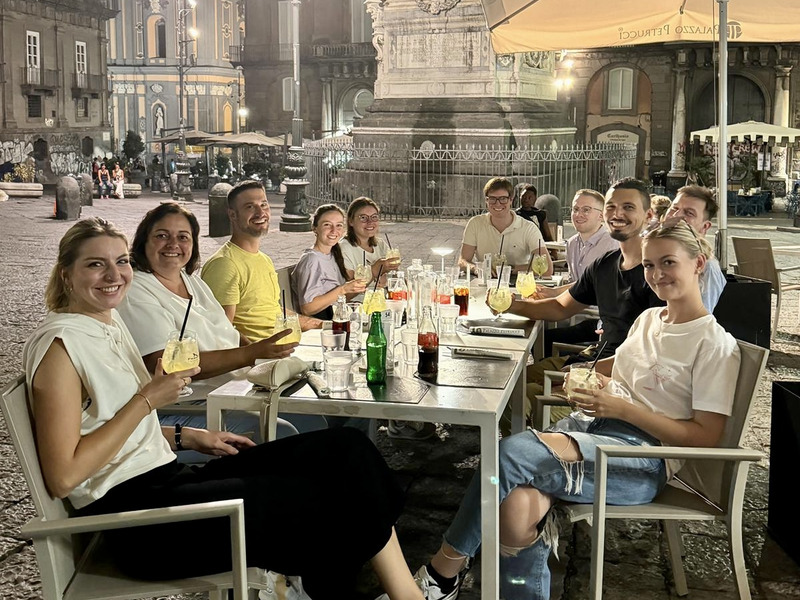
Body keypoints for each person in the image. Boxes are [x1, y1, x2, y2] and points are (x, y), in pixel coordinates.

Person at [23, 217, 425, 600]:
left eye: (122, 261)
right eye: (96, 264)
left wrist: (188, 435)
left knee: (345, 450)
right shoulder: (61, 347)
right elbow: (64, 476)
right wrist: (148, 399)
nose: (114, 275)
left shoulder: (105, 324)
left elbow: (103, 424)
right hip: (143, 524)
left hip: (169, 479)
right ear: (65, 274)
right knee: (321, 497)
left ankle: (393, 591)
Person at [409, 219, 740, 600]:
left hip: (641, 460)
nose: (656, 274)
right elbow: (623, 364)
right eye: (649, 265)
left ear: (698, 263)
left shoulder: (715, 345)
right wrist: (585, 373)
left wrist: (623, 409)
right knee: (515, 508)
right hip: (595, 431)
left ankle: (442, 573)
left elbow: (705, 437)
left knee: (510, 453)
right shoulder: (651, 318)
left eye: (668, 263)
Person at [117, 203, 323, 458]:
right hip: (186, 406)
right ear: (143, 242)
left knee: (314, 420)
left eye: (183, 237)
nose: (173, 244)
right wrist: (251, 354)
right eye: (161, 235)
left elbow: (230, 332)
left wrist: (262, 353)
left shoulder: (191, 281)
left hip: (233, 391)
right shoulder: (137, 290)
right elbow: (165, 364)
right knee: (284, 434)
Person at [496, 178, 664, 436]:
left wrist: (587, 371)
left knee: (514, 399)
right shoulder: (606, 264)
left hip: (621, 381)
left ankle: (534, 460)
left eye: (628, 207)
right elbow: (560, 308)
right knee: (508, 380)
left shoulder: (658, 274)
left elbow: (652, 355)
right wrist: (509, 304)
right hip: (592, 357)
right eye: (611, 207)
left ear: (648, 214)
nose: (617, 214)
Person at [201, 180, 321, 341]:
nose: (260, 213)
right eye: (250, 207)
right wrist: (261, 353)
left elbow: (271, 311)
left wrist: (320, 324)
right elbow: (222, 333)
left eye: (263, 205)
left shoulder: (264, 260)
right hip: (264, 359)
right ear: (232, 215)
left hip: (290, 345)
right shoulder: (224, 264)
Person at [532, 189, 620, 351]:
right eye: (575, 209)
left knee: (543, 338)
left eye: (586, 210)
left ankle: (545, 372)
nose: (578, 214)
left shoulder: (612, 245)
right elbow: (575, 283)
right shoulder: (572, 243)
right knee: (536, 331)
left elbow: (594, 289)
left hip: (598, 318)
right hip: (573, 312)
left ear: (601, 216)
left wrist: (554, 293)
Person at [460, 177, 552, 276]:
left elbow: (547, 269)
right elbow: (463, 261)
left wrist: (510, 269)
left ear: (511, 200)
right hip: (485, 281)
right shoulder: (475, 224)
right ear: (486, 201)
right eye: (492, 199)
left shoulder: (529, 228)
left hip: (519, 283)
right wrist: (476, 268)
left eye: (503, 199)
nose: (498, 204)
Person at [292, 204, 367, 320]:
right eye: (327, 225)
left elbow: (338, 297)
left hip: (339, 315)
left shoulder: (333, 254)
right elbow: (307, 308)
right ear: (315, 228)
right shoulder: (311, 260)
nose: (334, 231)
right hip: (326, 324)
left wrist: (355, 288)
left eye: (339, 226)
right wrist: (343, 289)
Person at [663, 185, 727, 311]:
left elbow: (700, 319)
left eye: (689, 213)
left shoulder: (707, 267)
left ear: (705, 227)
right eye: (674, 208)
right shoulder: (650, 252)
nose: (676, 215)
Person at [339, 197, 401, 284]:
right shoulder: (343, 248)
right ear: (351, 221)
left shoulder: (380, 244)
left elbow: (397, 280)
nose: (370, 222)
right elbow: (346, 292)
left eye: (374, 217)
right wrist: (374, 270)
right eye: (363, 217)